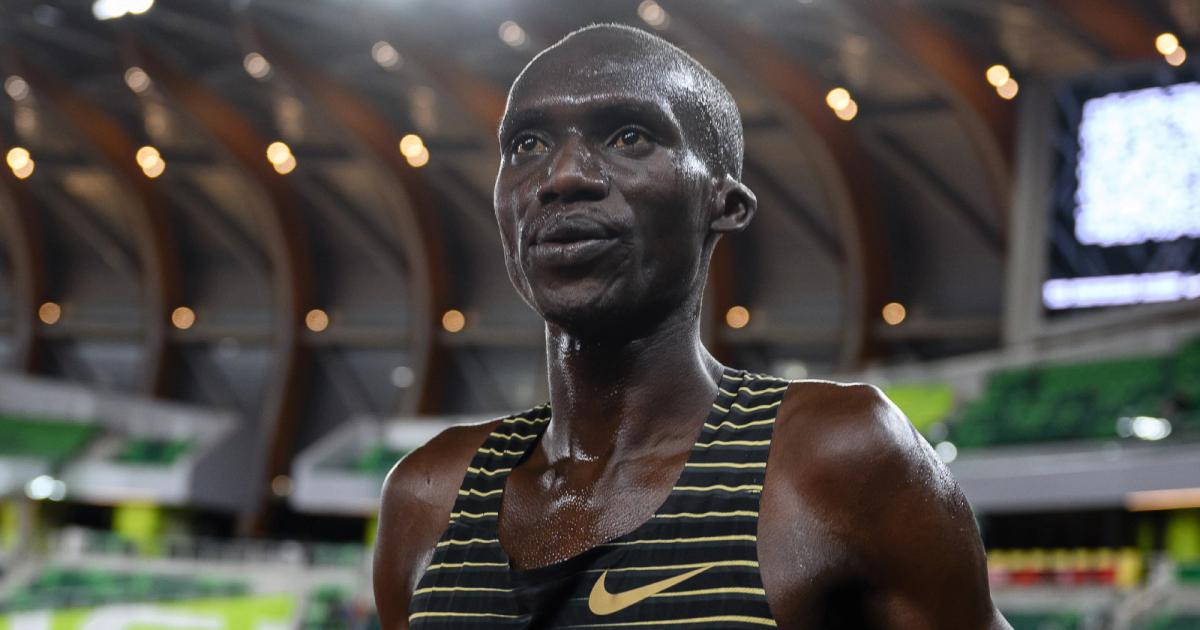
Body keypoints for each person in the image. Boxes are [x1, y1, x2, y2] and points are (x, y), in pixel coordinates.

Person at [374, 23, 1008, 629]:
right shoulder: (428, 497)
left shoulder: (837, 459)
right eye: (527, 145)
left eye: (628, 137)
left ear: (724, 205)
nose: (561, 176)